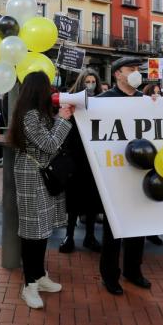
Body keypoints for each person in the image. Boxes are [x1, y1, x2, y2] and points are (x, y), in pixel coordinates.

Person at [9, 71, 72, 309]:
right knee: (32, 231)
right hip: (31, 176)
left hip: (41, 174)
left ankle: (40, 275)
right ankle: (30, 284)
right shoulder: (29, 115)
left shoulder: (39, 113)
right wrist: (63, 120)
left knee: (42, 229)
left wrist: (58, 118)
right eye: (48, 87)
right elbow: (49, 143)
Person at [99, 57, 152, 295]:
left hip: (140, 170)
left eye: (138, 70)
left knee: (138, 225)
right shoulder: (103, 101)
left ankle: (133, 270)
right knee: (114, 227)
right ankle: (110, 275)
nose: (136, 73)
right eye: (131, 69)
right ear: (118, 74)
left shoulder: (146, 100)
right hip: (114, 172)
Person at [60, 68, 102, 254]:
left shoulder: (102, 100)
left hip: (94, 158)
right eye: (88, 81)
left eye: (93, 81)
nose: (91, 85)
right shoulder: (71, 99)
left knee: (93, 198)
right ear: (81, 83)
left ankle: (90, 236)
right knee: (73, 199)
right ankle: (69, 235)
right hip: (75, 156)